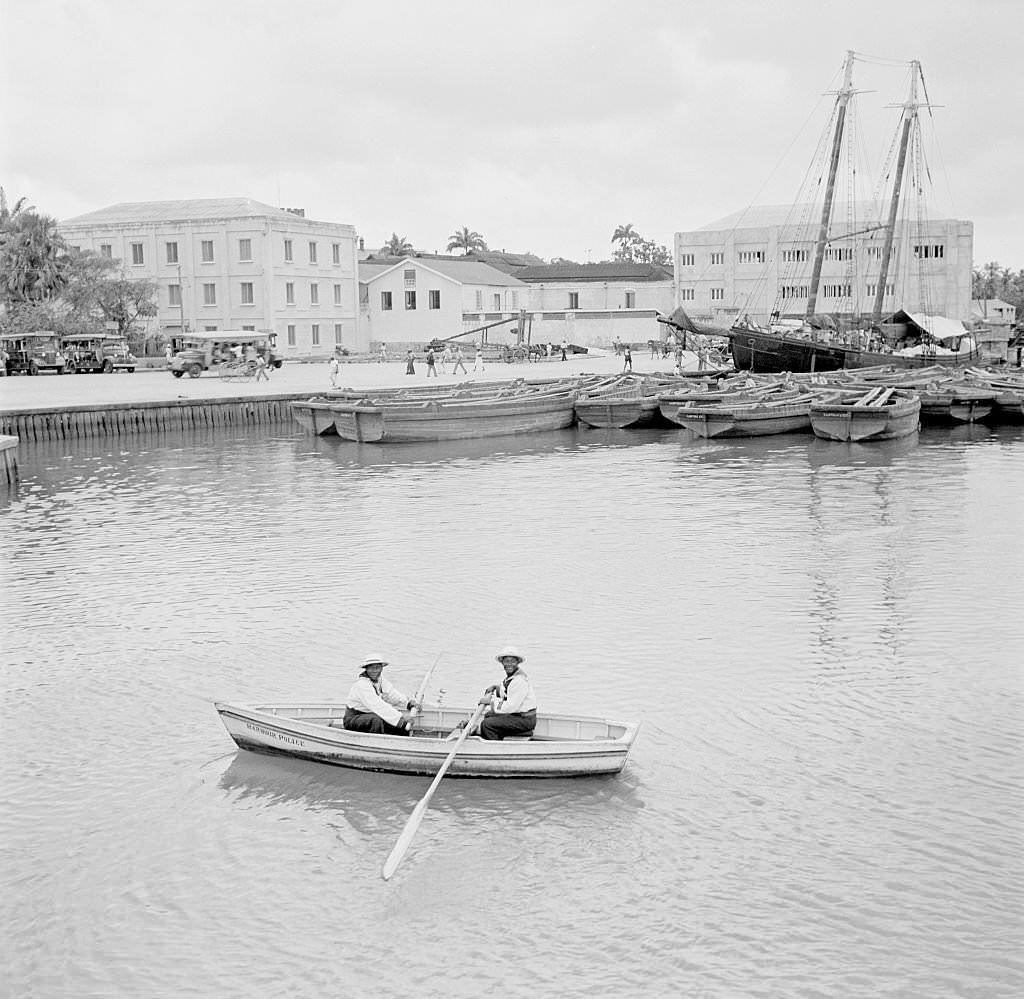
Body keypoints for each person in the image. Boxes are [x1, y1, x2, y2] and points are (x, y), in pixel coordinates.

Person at [343, 656, 418, 736]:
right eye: (371, 668)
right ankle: (376, 744)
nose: (374, 671)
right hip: (353, 719)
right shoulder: (362, 685)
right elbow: (378, 705)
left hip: (371, 714)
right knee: (376, 720)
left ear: (381, 668)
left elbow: (392, 695)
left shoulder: (381, 680)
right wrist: (401, 717)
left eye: (377, 667)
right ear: (366, 669)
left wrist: (409, 704)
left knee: (401, 726)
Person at [474, 646, 537, 741]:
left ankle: (495, 750)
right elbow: (507, 691)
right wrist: (496, 688)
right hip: (518, 716)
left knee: (487, 725)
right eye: (507, 661)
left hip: (525, 720)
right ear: (502, 663)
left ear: (517, 663)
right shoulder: (512, 677)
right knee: (489, 715)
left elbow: (510, 706)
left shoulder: (519, 681)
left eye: (512, 661)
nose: (509, 664)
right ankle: (496, 740)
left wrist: (490, 701)